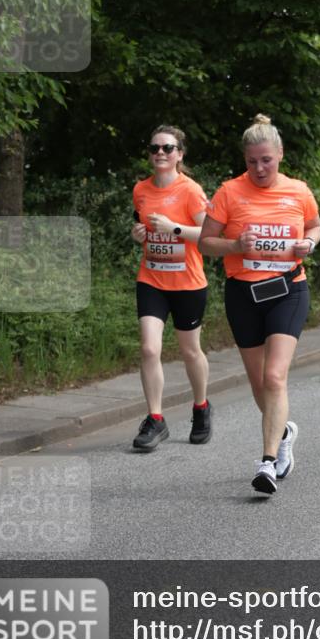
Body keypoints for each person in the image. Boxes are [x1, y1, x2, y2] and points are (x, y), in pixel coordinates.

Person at [199, 114, 320, 495]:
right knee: (258, 383)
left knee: (274, 377)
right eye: (252, 161)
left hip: (288, 290)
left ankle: (267, 462)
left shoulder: (298, 191)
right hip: (244, 294)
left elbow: (314, 225)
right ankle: (283, 433)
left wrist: (309, 243)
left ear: (280, 154)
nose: (260, 168)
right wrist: (235, 245)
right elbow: (205, 242)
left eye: (266, 160)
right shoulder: (229, 192)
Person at [131, 125, 211, 450]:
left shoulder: (191, 191)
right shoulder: (141, 190)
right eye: (155, 148)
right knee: (150, 349)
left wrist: (175, 228)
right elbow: (140, 224)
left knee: (190, 351)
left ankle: (201, 407)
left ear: (180, 154)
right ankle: (155, 419)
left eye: (167, 148)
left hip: (187, 283)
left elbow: (208, 235)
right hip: (151, 280)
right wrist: (138, 234)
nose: (160, 153)